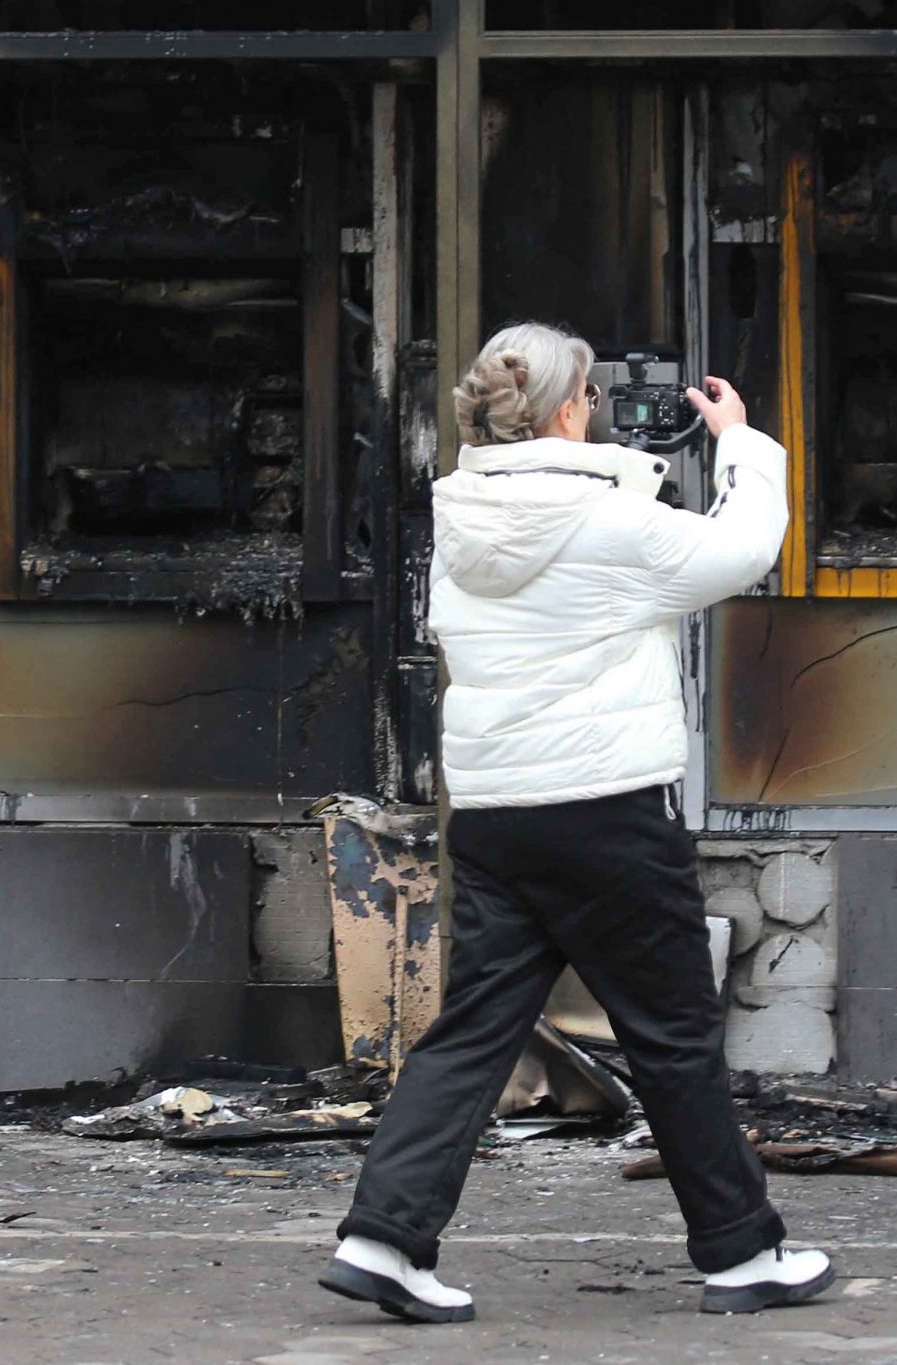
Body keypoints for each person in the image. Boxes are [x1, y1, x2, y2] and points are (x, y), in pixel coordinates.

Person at [321, 323, 831, 1325]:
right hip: (606, 810)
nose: (598, 409)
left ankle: (382, 1234)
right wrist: (736, 442)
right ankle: (739, 1253)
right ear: (566, 411)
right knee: (674, 1033)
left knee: (473, 1029)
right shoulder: (611, 525)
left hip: (501, 814)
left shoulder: (460, 527)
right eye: (590, 397)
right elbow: (744, 549)